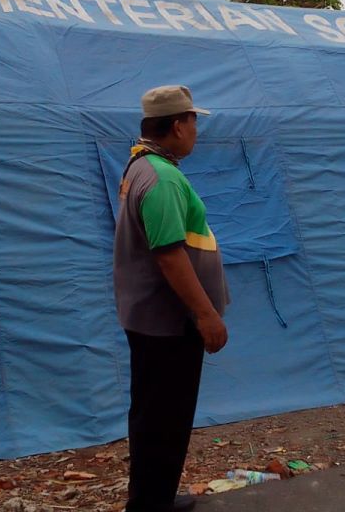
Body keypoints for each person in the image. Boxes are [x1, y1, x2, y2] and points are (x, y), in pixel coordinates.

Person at [113, 85, 230, 512]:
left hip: (151, 318)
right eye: (194, 121)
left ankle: (153, 499)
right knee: (165, 418)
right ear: (178, 124)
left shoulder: (141, 165)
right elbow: (169, 255)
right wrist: (207, 316)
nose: (197, 130)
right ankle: (149, 505)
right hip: (168, 324)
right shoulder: (161, 178)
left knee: (155, 416)